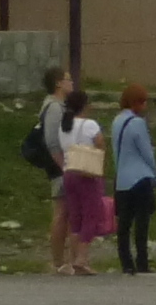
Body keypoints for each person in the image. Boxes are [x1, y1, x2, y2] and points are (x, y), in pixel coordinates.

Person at [53, 95, 111, 277]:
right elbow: (100, 143)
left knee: (75, 216)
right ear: (85, 106)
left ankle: (74, 257)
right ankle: (82, 258)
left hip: (69, 172)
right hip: (88, 173)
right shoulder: (90, 124)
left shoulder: (64, 127)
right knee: (91, 214)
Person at [109, 82, 156, 275]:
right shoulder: (138, 123)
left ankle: (126, 263)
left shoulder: (116, 122)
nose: (145, 105)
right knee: (142, 223)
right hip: (140, 177)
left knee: (124, 224)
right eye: (144, 101)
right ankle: (142, 263)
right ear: (137, 103)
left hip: (122, 178)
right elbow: (147, 153)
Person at [36, 65, 78, 274]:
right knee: (61, 212)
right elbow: (53, 142)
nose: (72, 83)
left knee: (67, 212)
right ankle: (58, 261)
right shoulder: (53, 108)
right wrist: (64, 167)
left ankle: (66, 260)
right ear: (58, 83)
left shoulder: (60, 106)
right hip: (59, 166)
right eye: (68, 79)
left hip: (62, 164)